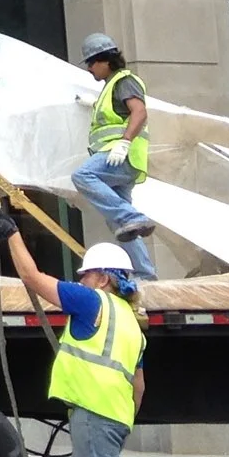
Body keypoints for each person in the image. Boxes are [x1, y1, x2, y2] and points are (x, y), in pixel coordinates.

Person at [0, 209, 191, 457]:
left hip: (94, 413)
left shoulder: (90, 302)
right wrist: (124, 421)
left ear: (102, 278)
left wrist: (11, 234)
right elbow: (139, 385)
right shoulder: (132, 323)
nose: (80, 279)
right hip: (115, 416)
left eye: (86, 273)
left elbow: (33, 279)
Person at [73, 33, 157, 279]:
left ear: (106, 60)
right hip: (117, 159)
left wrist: (124, 143)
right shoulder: (111, 87)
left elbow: (139, 112)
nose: (89, 68)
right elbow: (116, 115)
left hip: (120, 156)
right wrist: (93, 104)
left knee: (83, 175)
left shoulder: (124, 80)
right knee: (120, 225)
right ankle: (145, 275)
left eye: (92, 62)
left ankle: (134, 217)